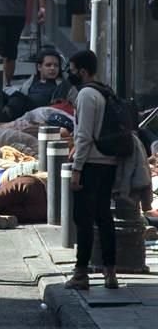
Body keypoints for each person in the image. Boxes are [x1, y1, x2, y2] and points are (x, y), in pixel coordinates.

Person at [64, 50, 119, 290]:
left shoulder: (86, 94)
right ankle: (110, 273)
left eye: (72, 70)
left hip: (91, 164)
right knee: (104, 216)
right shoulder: (105, 91)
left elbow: (84, 136)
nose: (70, 74)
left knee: (83, 219)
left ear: (83, 71)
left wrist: (77, 169)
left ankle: (81, 273)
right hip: (109, 162)